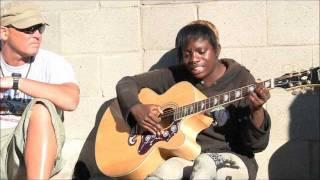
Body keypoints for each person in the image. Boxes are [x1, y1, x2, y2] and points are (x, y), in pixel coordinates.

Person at [116, 22, 271, 180]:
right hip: (188, 157)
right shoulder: (177, 75)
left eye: (201, 52)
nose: (194, 59)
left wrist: (257, 110)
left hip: (233, 158)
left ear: (216, 50)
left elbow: (256, 145)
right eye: (187, 54)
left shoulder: (240, 79)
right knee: (162, 173)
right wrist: (136, 107)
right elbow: (126, 83)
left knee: (204, 166)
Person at [0, 2, 80, 180]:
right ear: (4, 32)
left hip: (27, 148)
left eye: (39, 28)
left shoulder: (52, 62)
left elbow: (71, 100)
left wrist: (16, 82)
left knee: (42, 108)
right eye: (28, 29)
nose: (37, 35)